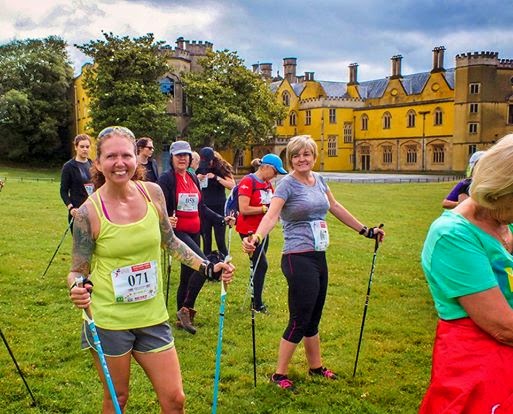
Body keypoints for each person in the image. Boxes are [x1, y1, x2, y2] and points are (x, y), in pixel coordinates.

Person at [67, 126, 235, 413]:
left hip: (152, 316)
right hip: (109, 320)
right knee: (118, 398)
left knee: (175, 400)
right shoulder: (87, 213)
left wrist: (207, 267)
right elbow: (77, 271)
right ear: (99, 162)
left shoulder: (153, 193)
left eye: (126, 155)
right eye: (111, 156)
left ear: (136, 158)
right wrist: (77, 286)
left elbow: (171, 242)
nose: (120, 163)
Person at [242, 135, 384, 390]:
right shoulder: (286, 185)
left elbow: (335, 206)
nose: (301, 159)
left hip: (318, 255)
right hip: (297, 257)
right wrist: (257, 237)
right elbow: (272, 215)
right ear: (290, 159)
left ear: (314, 156)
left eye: (306, 154)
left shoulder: (319, 179)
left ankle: (315, 367)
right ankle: (279, 374)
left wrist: (366, 231)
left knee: (314, 315)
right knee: (300, 317)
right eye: (296, 155)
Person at [420, 134, 513, 413]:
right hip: (478, 364)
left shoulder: (505, 221)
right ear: (498, 193)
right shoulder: (452, 235)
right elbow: (503, 327)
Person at [158, 141, 226, 335]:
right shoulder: (166, 179)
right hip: (178, 234)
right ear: (172, 158)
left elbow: (201, 207)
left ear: (190, 158)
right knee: (204, 266)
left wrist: (221, 219)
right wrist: (166, 218)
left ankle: (182, 316)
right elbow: (158, 206)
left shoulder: (192, 177)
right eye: (178, 155)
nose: (182, 158)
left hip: (195, 231)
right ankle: (186, 308)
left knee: (187, 275)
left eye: (186, 155)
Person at [236, 153, 287, 313]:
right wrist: (265, 209)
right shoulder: (248, 181)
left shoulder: (267, 184)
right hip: (249, 231)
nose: (275, 176)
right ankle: (257, 304)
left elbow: (274, 203)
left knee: (258, 265)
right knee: (261, 264)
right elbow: (244, 209)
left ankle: (255, 299)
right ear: (265, 167)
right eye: (275, 172)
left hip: (263, 230)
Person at [196, 147, 236, 256]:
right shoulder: (200, 167)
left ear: (212, 159)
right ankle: (208, 264)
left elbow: (232, 185)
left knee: (220, 241)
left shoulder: (221, 167)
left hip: (219, 207)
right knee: (206, 241)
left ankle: (225, 262)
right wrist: (197, 178)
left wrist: (216, 177)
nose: (207, 165)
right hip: (204, 208)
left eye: (208, 162)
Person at [60, 134, 94, 230]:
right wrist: (71, 208)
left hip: (93, 211)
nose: (85, 149)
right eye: (82, 147)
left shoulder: (93, 165)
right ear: (76, 147)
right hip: (78, 211)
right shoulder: (69, 167)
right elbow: (63, 191)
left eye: (87, 147)